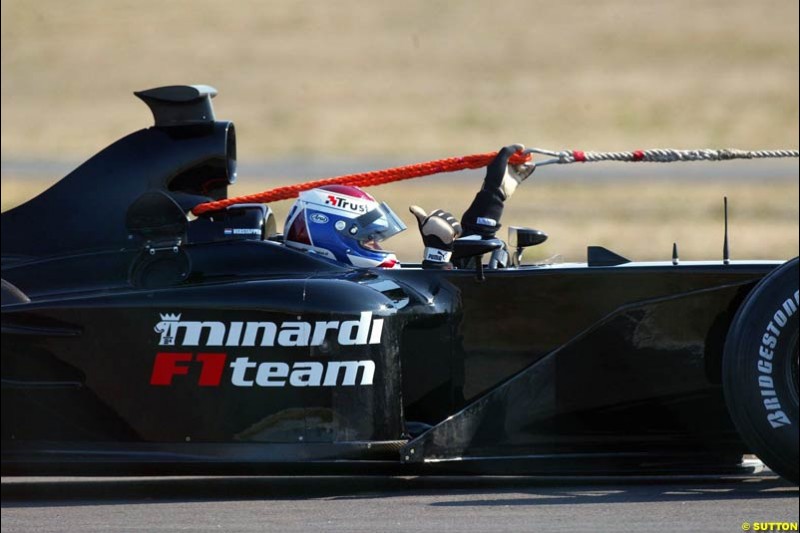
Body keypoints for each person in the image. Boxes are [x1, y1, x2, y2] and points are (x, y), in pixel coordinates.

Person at [283, 144, 535, 268]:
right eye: (368, 238)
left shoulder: (357, 281)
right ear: (329, 233)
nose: (377, 245)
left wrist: (492, 199)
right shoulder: (328, 294)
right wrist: (436, 260)